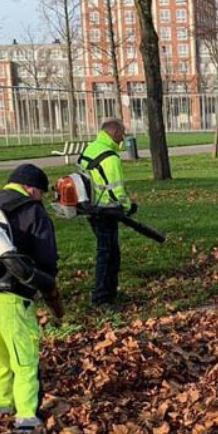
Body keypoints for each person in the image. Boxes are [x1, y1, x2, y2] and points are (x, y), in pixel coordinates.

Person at [0, 163, 62, 434]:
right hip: (11, 295)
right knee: (24, 357)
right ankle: (27, 418)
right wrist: (47, 282)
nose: (41, 198)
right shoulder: (31, 210)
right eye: (41, 194)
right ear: (32, 189)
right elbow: (45, 255)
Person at [78, 118, 136, 308]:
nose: (123, 137)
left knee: (110, 252)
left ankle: (109, 293)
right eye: (122, 133)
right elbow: (116, 190)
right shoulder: (110, 157)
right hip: (106, 211)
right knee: (108, 254)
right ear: (115, 133)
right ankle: (102, 297)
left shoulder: (91, 148)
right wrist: (128, 207)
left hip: (91, 207)